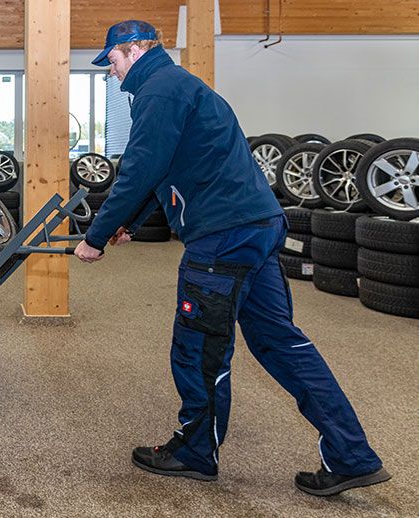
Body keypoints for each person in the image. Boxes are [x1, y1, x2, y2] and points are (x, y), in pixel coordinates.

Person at [74, 20, 390, 497]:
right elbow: (171, 169)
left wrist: (95, 236)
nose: (111, 73)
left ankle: (195, 452)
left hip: (222, 237)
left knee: (199, 345)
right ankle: (352, 454)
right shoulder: (182, 87)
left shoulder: (157, 91)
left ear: (135, 49)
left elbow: (139, 168)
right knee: (279, 341)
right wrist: (129, 225)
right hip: (256, 226)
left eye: (112, 62)